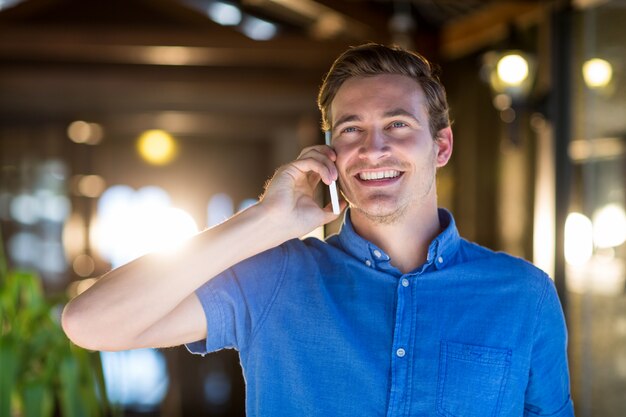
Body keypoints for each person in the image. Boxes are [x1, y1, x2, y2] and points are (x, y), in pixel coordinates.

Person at [62, 43, 574, 416]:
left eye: (398, 125)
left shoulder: (523, 294)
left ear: (441, 147)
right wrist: (265, 220)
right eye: (352, 129)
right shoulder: (276, 278)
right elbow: (89, 323)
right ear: (331, 150)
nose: (373, 150)